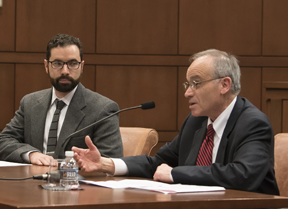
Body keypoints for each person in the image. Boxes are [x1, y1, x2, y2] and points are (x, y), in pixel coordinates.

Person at [72, 49, 279, 195]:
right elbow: (157, 163)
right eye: (187, 84)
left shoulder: (253, 123)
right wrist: (106, 164)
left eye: (196, 84)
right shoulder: (196, 122)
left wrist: (174, 174)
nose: (187, 92)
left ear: (224, 84)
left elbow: (242, 175)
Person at [0, 34, 123, 165]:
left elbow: (111, 161)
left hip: (77, 183)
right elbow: (3, 142)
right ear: (46, 66)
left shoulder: (103, 108)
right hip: (32, 182)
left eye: (73, 63)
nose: (65, 71)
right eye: (57, 64)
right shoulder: (30, 103)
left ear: (82, 66)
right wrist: (32, 154)